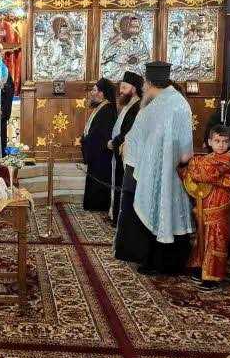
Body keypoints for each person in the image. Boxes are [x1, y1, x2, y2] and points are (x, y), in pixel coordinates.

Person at [114, 61, 194, 275]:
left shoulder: (150, 109)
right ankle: (173, 263)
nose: (143, 88)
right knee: (170, 214)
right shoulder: (181, 103)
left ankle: (154, 261)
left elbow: (135, 143)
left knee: (152, 213)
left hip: (150, 175)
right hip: (173, 174)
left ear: (149, 83)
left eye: (144, 84)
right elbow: (186, 152)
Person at [179, 125, 230, 290]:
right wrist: (193, 165)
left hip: (220, 206)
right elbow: (192, 170)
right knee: (203, 236)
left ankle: (212, 277)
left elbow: (204, 174)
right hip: (206, 204)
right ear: (210, 142)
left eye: (225, 141)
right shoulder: (210, 157)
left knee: (216, 239)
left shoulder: (228, 158)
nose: (221, 145)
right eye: (217, 141)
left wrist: (193, 164)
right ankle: (200, 268)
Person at [108, 71, 142, 222]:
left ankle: (120, 218)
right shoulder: (129, 105)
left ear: (133, 89)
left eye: (124, 87)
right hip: (120, 152)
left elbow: (129, 131)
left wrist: (114, 142)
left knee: (123, 185)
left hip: (127, 154)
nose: (120, 91)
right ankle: (115, 215)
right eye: (120, 87)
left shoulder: (137, 107)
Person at [81, 78, 117, 213]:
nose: (92, 92)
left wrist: (87, 140)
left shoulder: (107, 109)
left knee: (99, 181)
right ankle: (93, 205)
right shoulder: (101, 107)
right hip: (96, 154)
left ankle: (98, 206)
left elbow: (101, 134)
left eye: (94, 90)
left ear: (102, 93)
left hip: (102, 155)